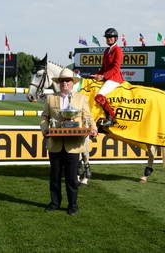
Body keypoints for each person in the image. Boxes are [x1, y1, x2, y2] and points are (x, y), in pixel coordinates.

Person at [41, 68, 97, 215]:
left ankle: (73, 205)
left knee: (72, 179)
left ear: (72, 83)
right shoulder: (50, 98)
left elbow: (88, 117)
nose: (64, 83)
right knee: (55, 177)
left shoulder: (81, 98)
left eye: (67, 80)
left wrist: (93, 128)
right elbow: (44, 117)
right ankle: (54, 203)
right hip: (55, 144)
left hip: (74, 145)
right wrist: (45, 129)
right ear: (59, 83)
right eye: (62, 81)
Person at [91, 27, 124, 127]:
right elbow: (103, 67)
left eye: (111, 37)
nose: (108, 39)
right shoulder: (106, 51)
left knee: (99, 95)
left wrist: (103, 76)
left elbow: (115, 68)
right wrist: (97, 75)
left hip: (114, 78)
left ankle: (111, 118)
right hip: (107, 77)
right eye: (107, 37)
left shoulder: (118, 50)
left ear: (115, 38)